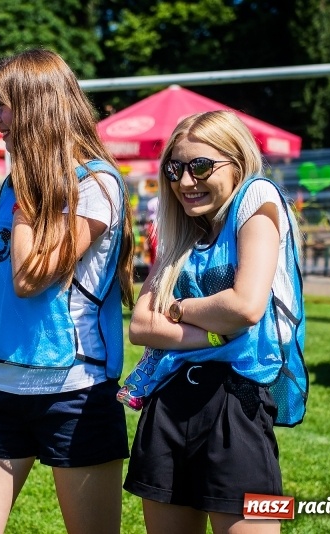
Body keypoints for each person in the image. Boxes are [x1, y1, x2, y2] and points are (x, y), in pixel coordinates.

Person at [0, 49, 136, 534]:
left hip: (73, 393)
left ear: (37, 106)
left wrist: (31, 191)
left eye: (2, 106)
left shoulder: (95, 183)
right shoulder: (16, 182)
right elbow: (9, 297)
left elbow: (30, 277)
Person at [119, 110, 306, 534]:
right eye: (175, 168)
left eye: (201, 166)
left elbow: (245, 306)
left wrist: (178, 307)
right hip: (165, 405)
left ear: (237, 162)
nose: (185, 181)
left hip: (238, 403)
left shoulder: (259, 196)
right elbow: (140, 328)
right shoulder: (178, 227)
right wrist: (217, 326)